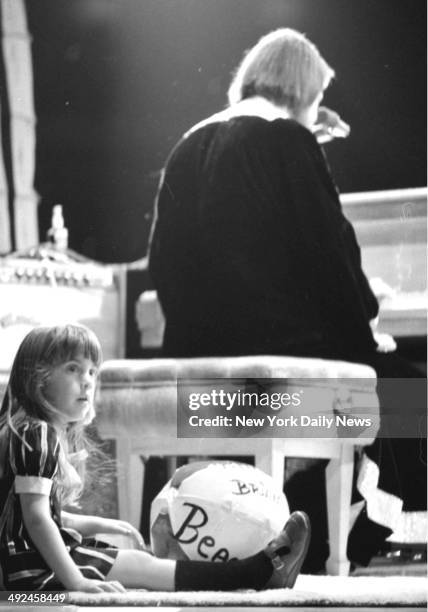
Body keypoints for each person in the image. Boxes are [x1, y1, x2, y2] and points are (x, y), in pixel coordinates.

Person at [148, 28, 426, 569]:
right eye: (317, 99)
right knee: (406, 396)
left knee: (381, 389)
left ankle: (300, 529)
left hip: (199, 379)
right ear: (302, 91)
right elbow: (331, 257)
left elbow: (163, 264)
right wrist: (366, 328)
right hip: (285, 376)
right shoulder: (286, 140)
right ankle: (336, 540)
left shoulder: (188, 143)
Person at [0, 324, 310, 592]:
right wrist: (75, 583)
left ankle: (253, 571)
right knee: (141, 566)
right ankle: (256, 573)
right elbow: (37, 520)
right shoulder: (37, 434)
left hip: (18, 560)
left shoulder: (27, 430)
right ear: (36, 377)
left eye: (92, 371)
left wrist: (111, 525)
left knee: (133, 562)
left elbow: (45, 518)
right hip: (25, 568)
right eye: (72, 368)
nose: (87, 380)